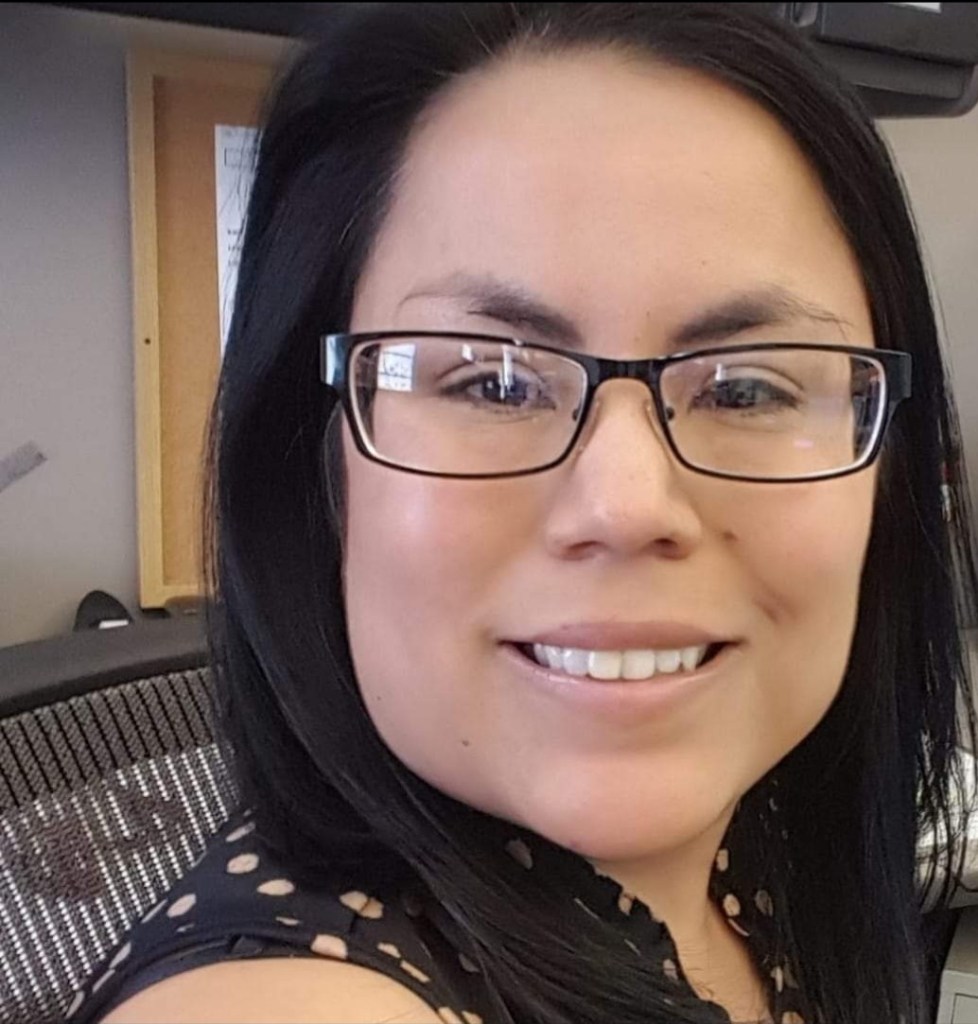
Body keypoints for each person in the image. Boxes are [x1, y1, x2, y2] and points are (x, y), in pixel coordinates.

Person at [70, 4, 978, 1023]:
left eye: (749, 389)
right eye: (492, 385)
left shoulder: (771, 850)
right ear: (318, 471)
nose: (628, 505)